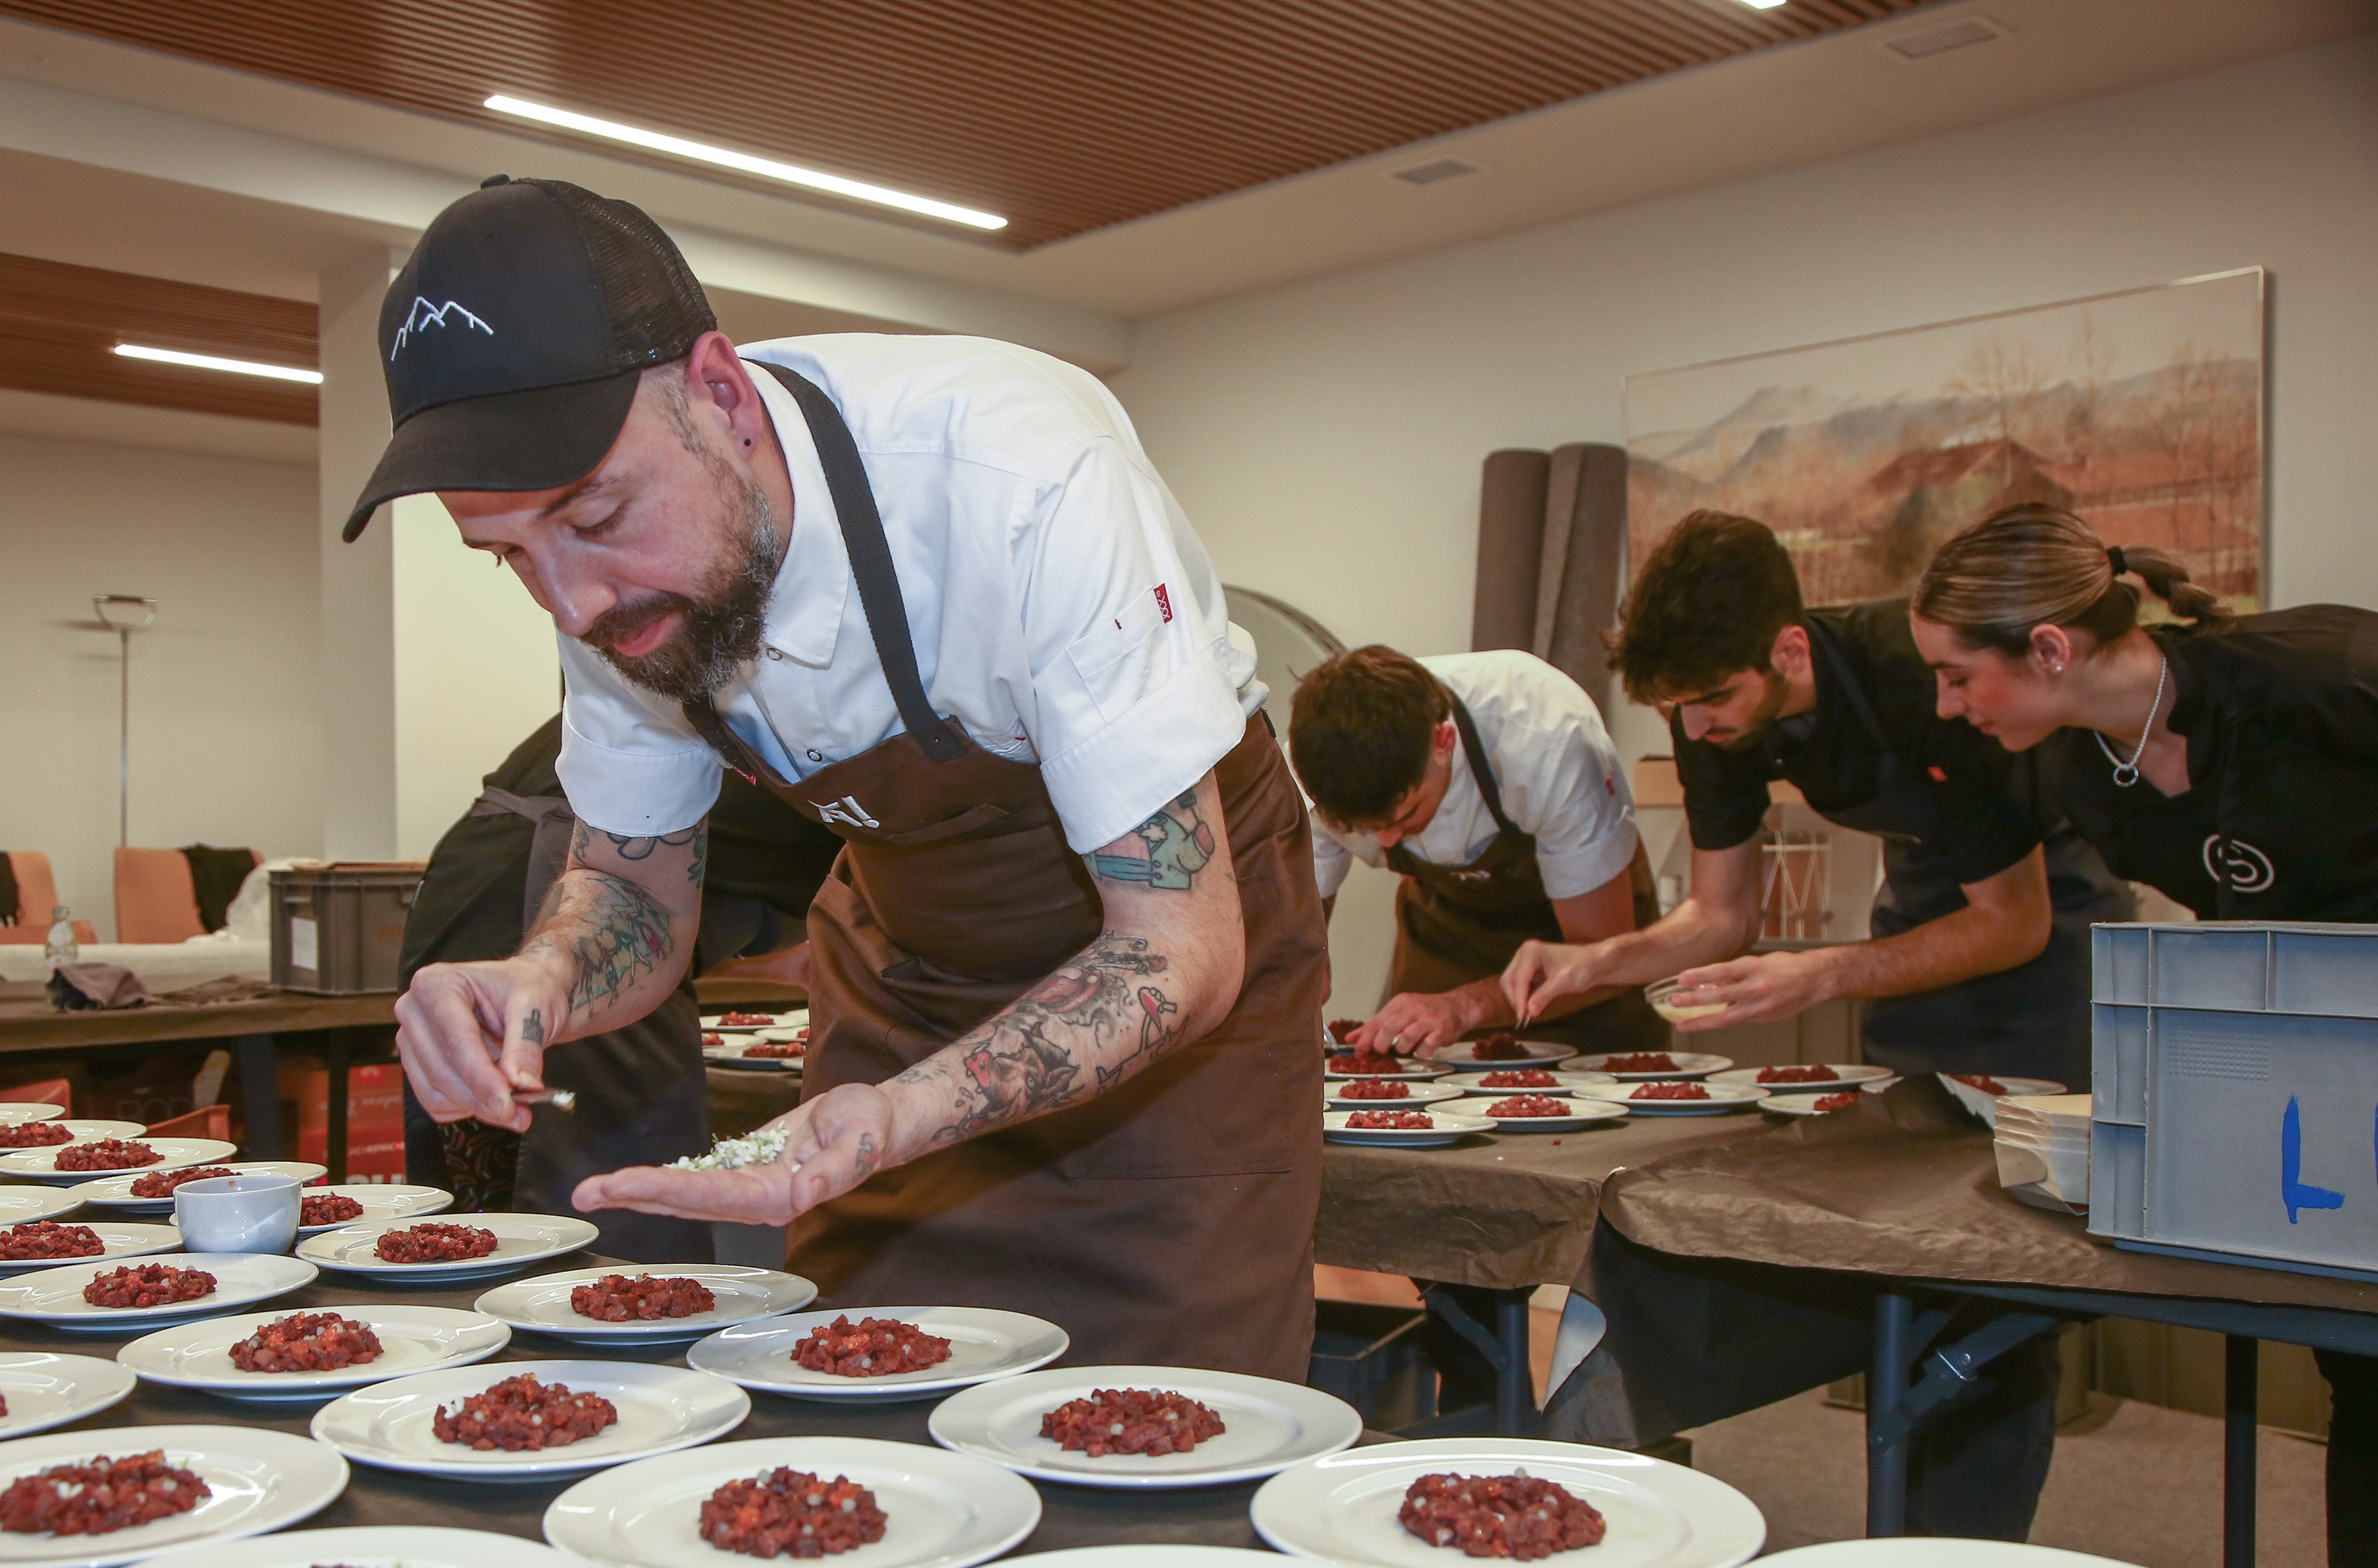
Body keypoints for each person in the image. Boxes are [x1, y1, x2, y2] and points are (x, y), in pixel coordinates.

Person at [346, 176, 1327, 1377]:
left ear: (719, 391)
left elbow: (1175, 947)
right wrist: (536, 979)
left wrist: (903, 1113)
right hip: (912, 964)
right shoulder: (608, 591)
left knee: (1163, 1403)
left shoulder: (1018, 478)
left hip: (1174, 999)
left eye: (595, 514)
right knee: (859, 1376)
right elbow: (640, 897)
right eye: (509, 558)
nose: (571, 601)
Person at [1504, 509, 2131, 1542]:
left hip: (2046, 922)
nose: (1698, 729)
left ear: (1788, 649)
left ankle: (1957, 1547)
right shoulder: (1706, 704)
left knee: (1992, 1256)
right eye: (1677, 710)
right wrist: (1590, 962)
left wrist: (1820, 976)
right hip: (1928, 905)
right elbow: (1718, 916)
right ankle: (1900, 1514)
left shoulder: (1920, 683)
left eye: (1712, 703)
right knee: (1893, 1220)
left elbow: (2013, 923)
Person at [1911, 501, 2378, 1567]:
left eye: (1955, 675)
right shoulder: (2078, 771)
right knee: (2358, 1363)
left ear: (2046, 648)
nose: (1945, 707)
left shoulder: (2320, 674)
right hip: (2329, 1079)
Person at [398, 713, 842, 1261]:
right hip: (563, 899)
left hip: (491, 878)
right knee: (611, 1238)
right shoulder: (650, 672)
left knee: (509, 1239)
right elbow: (637, 892)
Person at [1289, 644, 1663, 1055]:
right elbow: (1296, 927)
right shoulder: (1311, 768)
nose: (1388, 843)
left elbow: (1603, 957)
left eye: (1405, 816)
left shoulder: (1546, 738)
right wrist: (1303, 970)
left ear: (1443, 741)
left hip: (1582, 953)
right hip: (1445, 939)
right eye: (1364, 830)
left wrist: (1466, 1007)